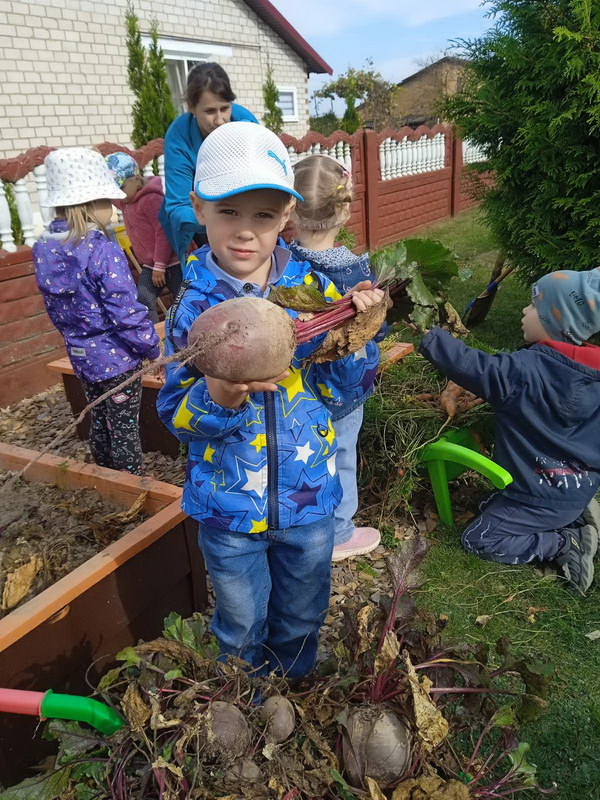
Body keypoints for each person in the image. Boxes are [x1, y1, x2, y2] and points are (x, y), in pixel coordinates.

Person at [157, 122, 383, 677]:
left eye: (263, 216)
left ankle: (297, 686)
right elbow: (175, 416)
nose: (244, 233)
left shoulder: (313, 294)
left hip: (308, 499)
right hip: (228, 509)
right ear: (198, 208)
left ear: (287, 216)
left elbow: (341, 396)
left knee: (303, 613)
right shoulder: (191, 310)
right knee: (238, 621)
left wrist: (356, 342)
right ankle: (245, 698)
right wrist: (215, 395)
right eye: (228, 212)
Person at [419, 268, 600, 594]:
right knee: (490, 504)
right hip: (579, 484)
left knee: (479, 538)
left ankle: (563, 543)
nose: (523, 310)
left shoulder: (523, 371)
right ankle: (574, 514)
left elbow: (472, 366)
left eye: (533, 306)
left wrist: (430, 335)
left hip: (537, 496)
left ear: (553, 321)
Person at [33, 147, 160, 475]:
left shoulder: (46, 247)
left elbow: (54, 307)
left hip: (82, 356)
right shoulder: (102, 250)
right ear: (90, 205)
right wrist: (152, 348)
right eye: (107, 201)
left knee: (99, 420)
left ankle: (104, 479)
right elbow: (125, 312)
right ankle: (130, 488)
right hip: (117, 361)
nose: (114, 208)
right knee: (124, 430)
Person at [288, 154, 382, 561]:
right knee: (341, 453)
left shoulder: (280, 266)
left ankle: (302, 525)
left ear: (288, 210)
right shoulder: (358, 270)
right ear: (345, 209)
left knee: (304, 456)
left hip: (297, 388)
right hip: (345, 387)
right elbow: (375, 328)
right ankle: (339, 533)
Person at [159, 62, 258, 267]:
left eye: (225, 108)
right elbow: (178, 205)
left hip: (242, 215)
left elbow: (258, 176)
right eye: (210, 111)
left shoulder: (245, 123)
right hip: (197, 223)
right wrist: (222, 220)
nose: (220, 120)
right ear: (192, 107)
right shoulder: (178, 138)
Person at [105, 151, 182, 324]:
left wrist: (160, 265)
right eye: (115, 191)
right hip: (151, 265)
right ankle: (155, 339)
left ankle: (189, 333)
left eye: (122, 188)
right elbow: (110, 196)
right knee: (144, 301)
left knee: (183, 301)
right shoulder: (126, 201)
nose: (120, 195)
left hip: (173, 262)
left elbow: (163, 231)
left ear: (135, 178)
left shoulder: (151, 199)